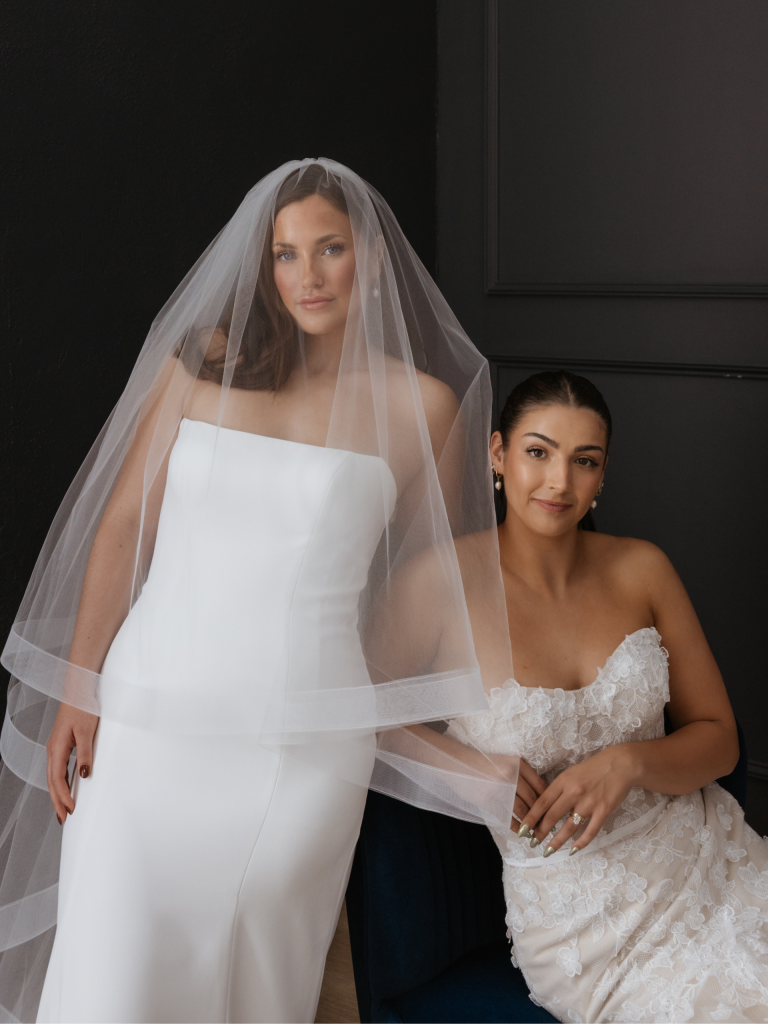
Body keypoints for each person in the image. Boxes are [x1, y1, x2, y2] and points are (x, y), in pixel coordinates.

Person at [0, 159, 517, 1023]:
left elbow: (427, 576)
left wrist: (447, 735)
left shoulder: (423, 406)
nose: (307, 276)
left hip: (301, 746)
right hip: (145, 722)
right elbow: (124, 527)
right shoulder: (202, 366)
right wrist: (79, 689)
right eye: (285, 254)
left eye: (329, 250)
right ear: (263, 266)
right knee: (114, 974)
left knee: (255, 976)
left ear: (373, 260)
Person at [448, 370, 768, 1023]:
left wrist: (630, 762)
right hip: (583, 921)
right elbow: (360, 718)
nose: (560, 481)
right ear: (497, 453)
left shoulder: (641, 566)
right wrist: (468, 766)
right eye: (538, 451)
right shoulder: (441, 582)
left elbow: (718, 737)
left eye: (583, 461)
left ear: (602, 474)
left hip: (710, 860)